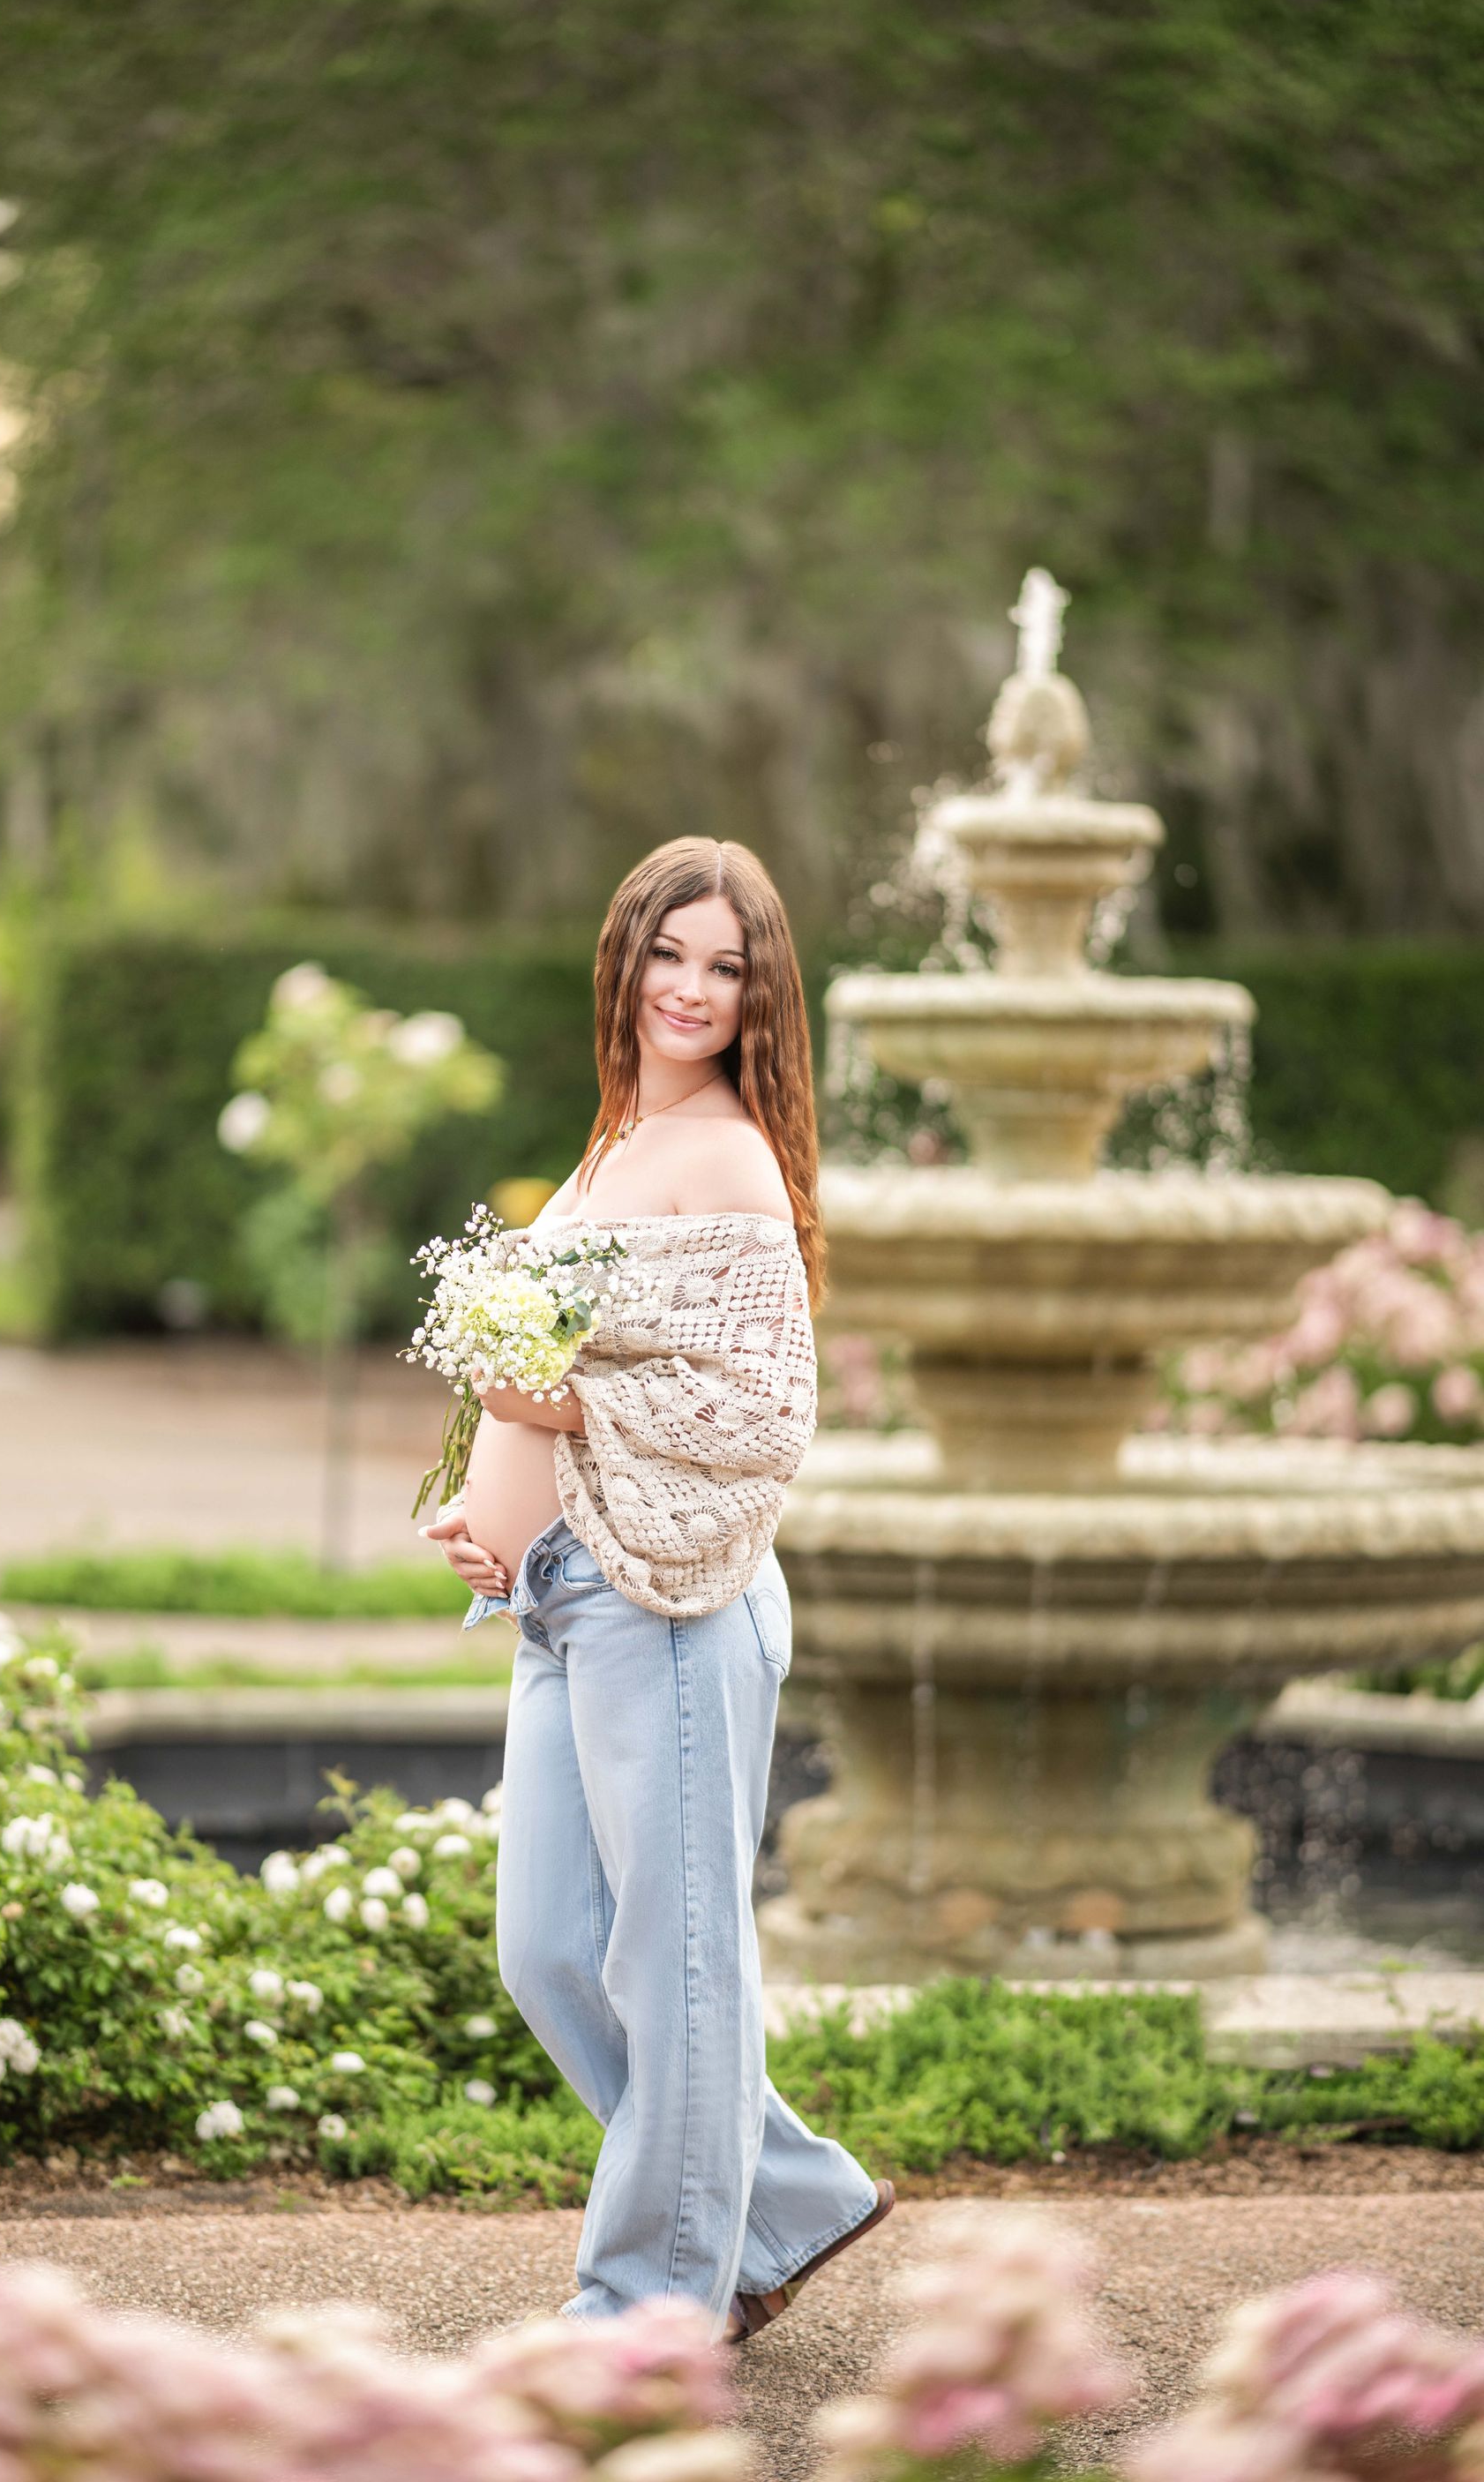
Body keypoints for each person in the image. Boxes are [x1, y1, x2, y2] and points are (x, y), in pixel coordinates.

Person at [422, 835, 894, 2343]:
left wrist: (552, 1419)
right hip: (569, 1600)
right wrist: (487, 1513)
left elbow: (758, 1414)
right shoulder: (622, 1139)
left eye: (727, 967)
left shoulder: (728, 1156)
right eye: (670, 954)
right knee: (551, 1946)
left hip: (674, 1608)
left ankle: (644, 2315)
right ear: (623, 956)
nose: (692, 989)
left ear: (761, 999)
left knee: (674, 1961)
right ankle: (786, 2203)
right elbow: (558, 1370)